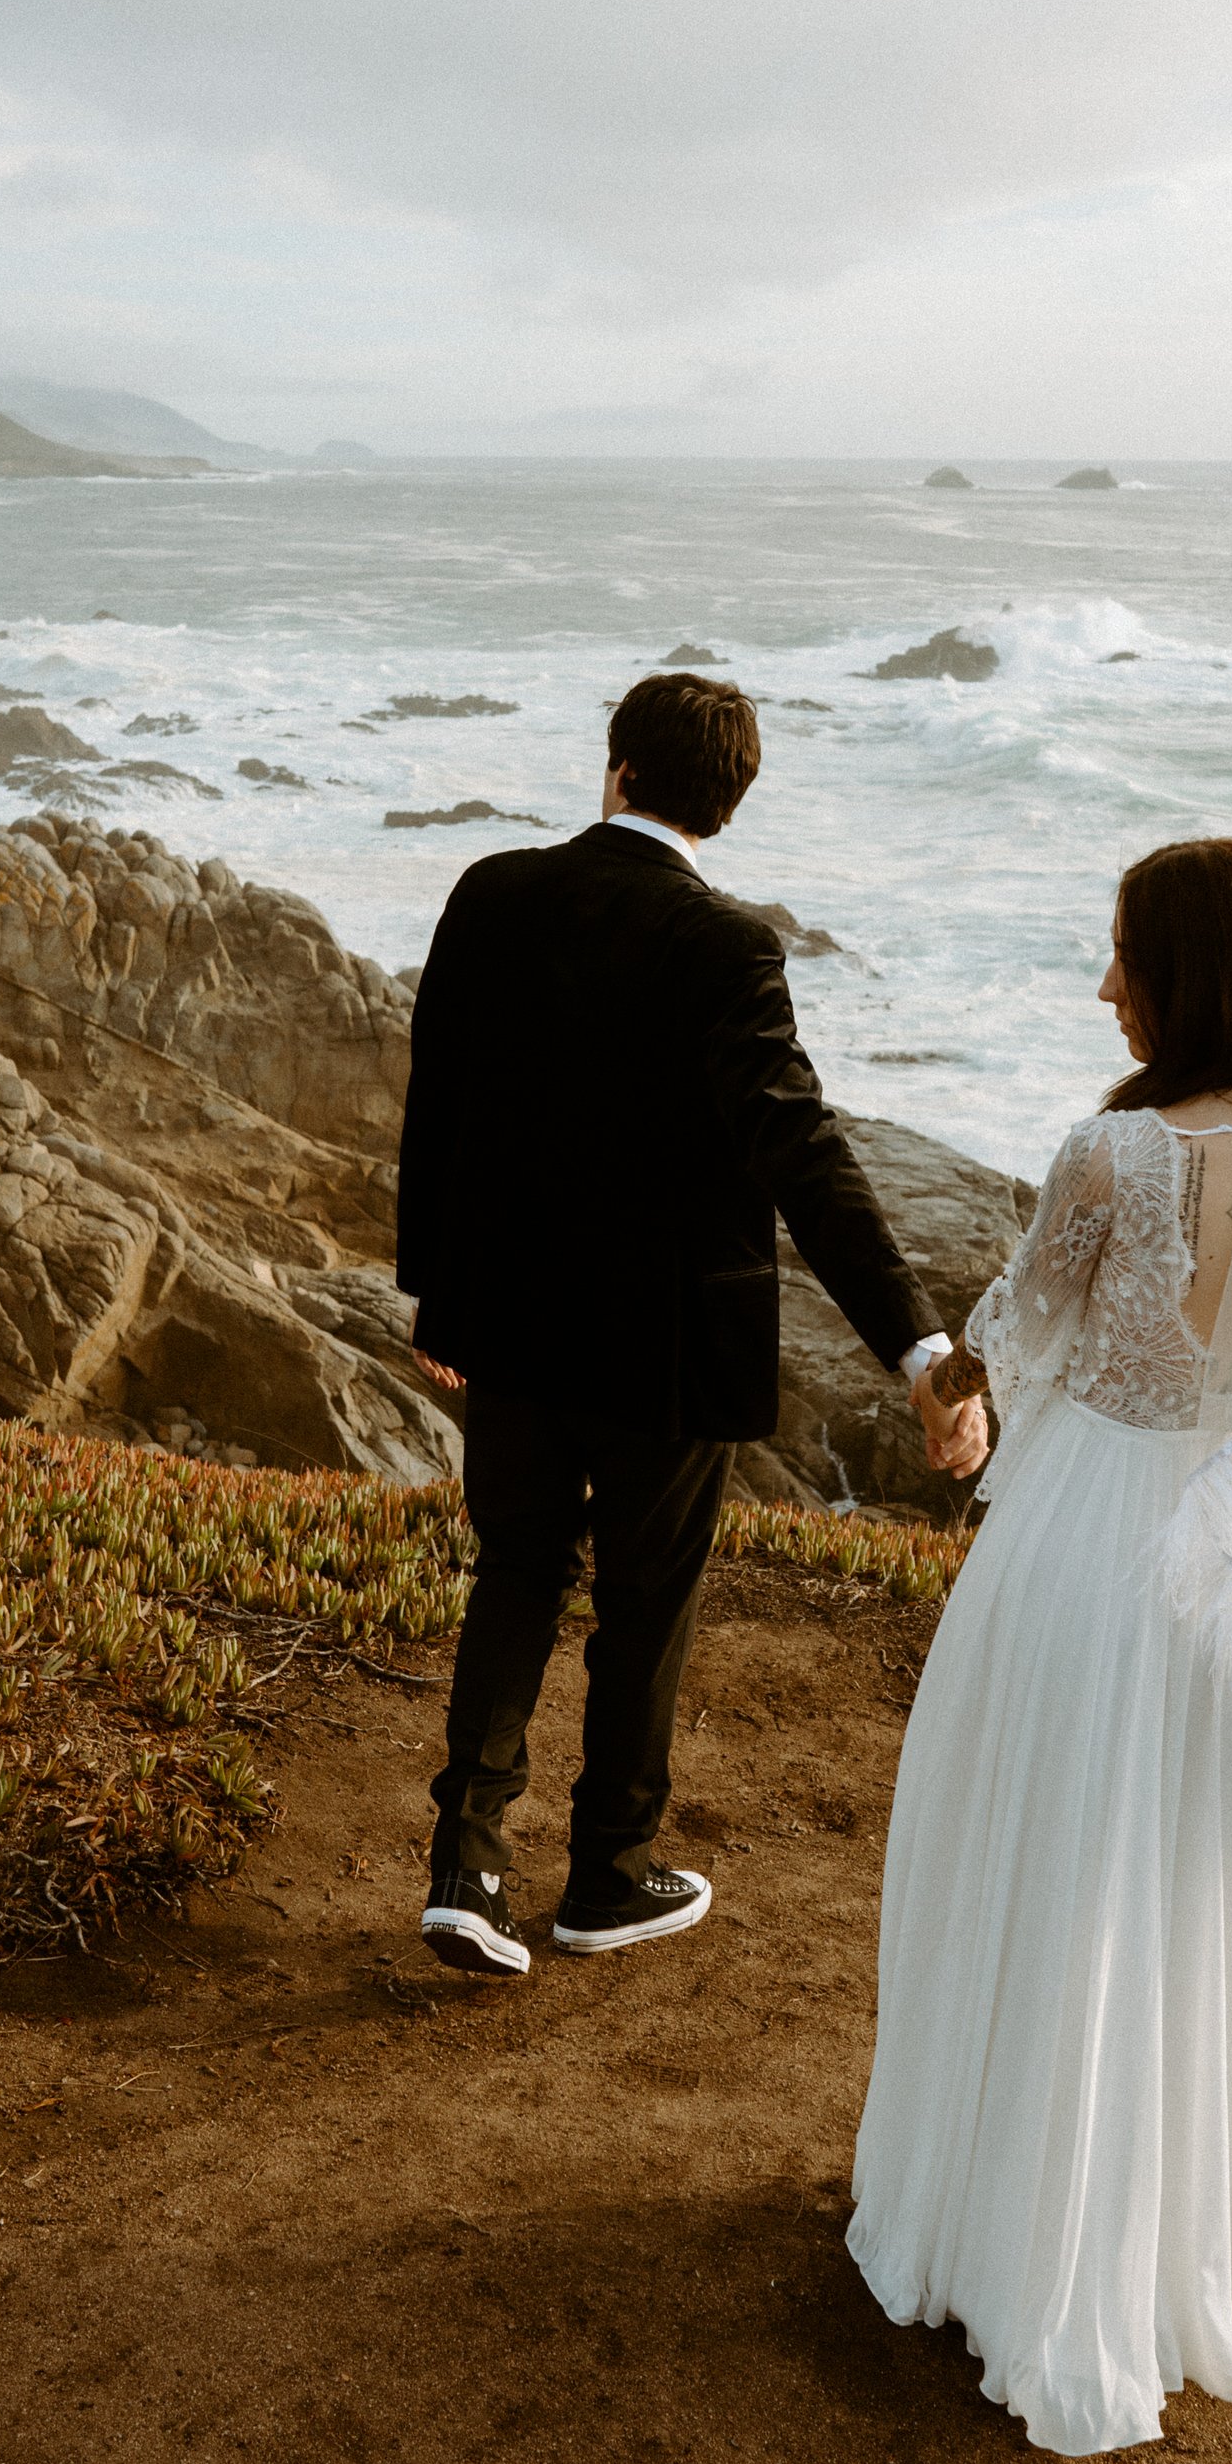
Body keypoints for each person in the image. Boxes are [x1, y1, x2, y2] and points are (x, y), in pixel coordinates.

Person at [848, 838, 1232, 2457]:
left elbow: (1021, 1344)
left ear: (1186, 974)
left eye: (1122, 954)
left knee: (1044, 1861)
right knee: (1192, 1875)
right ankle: (1181, 2240)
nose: (1102, 984)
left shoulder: (1112, 1153)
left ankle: (1015, 2228)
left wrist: (957, 1397)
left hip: (1093, 1553)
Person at [398, 670, 985, 1977]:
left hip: (512, 1321)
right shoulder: (725, 946)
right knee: (644, 1604)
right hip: (663, 1344)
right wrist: (921, 1346)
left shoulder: (493, 894)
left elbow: (439, 1096)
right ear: (729, 808)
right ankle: (605, 1876)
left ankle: (467, 1869)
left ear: (614, 769)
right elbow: (802, 1154)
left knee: (516, 1574)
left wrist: (438, 1290)